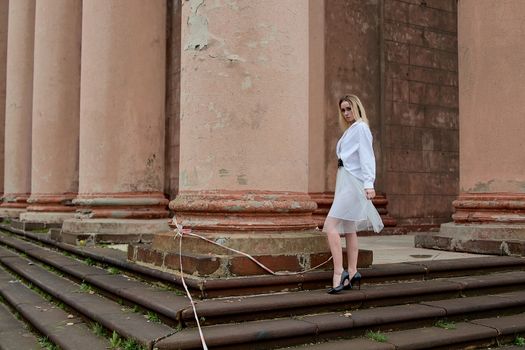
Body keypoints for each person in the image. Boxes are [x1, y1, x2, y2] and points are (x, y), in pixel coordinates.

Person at [323, 94, 384, 294]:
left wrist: (369, 184)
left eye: (349, 108)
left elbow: (367, 157)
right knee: (349, 227)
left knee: (330, 226)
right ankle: (353, 271)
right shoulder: (350, 131)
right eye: (343, 110)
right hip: (345, 182)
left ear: (357, 107)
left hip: (353, 184)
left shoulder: (361, 129)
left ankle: (338, 273)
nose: (346, 113)